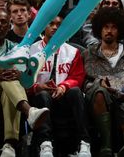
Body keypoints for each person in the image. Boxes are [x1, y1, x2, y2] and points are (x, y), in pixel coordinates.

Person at [0, 9, 49, 157]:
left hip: (8, 93)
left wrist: (17, 73)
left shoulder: (15, 48)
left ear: (8, 27)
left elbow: (21, 70)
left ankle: (9, 146)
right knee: (8, 80)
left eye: (3, 22)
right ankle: (29, 111)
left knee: (9, 82)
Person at [28, 13, 90, 157]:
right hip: (40, 97)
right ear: (44, 26)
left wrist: (64, 86)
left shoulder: (73, 51)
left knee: (75, 91)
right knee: (42, 94)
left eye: (59, 24)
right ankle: (45, 144)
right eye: (51, 24)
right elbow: (25, 79)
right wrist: (37, 87)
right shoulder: (32, 50)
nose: (55, 27)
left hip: (64, 95)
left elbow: (77, 76)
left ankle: (84, 143)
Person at [82, 6, 124, 156]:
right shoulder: (88, 53)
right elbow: (84, 82)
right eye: (105, 27)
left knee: (121, 100)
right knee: (101, 93)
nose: (109, 30)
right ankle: (108, 144)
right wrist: (98, 84)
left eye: (114, 27)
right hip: (96, 97)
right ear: (99, 29)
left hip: (123, 96)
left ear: (120, 30)